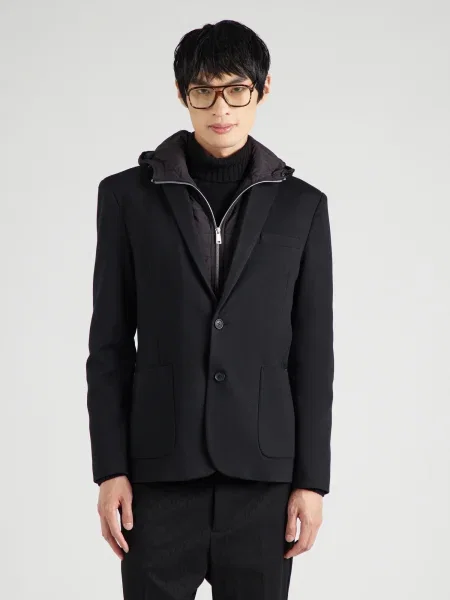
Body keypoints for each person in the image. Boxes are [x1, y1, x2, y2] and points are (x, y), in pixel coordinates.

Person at [86, 19, 334, 600]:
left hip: (263, 481)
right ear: (182, 94)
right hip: (157, 477)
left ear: (262, 90)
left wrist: (312, 481)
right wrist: (110, 468)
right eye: (204, 91)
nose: (221, 108)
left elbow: (313, 353)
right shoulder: (126, 197)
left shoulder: (303, 207)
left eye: (236, 90)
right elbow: (110, 346)